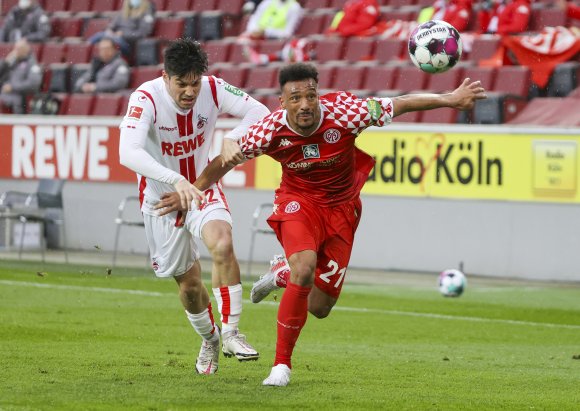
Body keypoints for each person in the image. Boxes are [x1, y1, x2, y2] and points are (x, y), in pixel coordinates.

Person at [155, 62, 487, 386]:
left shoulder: (346, 112)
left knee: (320, 307)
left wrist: (450, 98)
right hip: (298, 203)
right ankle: (281, 366)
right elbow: (222, 163)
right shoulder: (268, 130)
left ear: (318, 95)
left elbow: (398, 103)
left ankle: (281, 274)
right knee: (305, 266)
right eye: (295, 98)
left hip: (343, 209)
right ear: (282, 102)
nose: (304, 105)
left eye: (310, 96)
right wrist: (191, 193)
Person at [118, 38, 270, 375]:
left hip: (202, 189)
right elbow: (127, 152)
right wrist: (174, 180)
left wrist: (236, 136)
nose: (190, 91)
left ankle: (231, 332)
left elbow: (260, 112)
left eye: (195, 83)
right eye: (182, 84)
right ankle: (211, 338)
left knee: (222, 241)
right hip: (162, 202)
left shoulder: (213, 89)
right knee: (188, 287)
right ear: (165, 77)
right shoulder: (145, 98)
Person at [88, 0, 155, 58]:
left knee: (107, 38)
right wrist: (110, 30)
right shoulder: (123, 12)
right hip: (115, 38)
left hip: (129, 43)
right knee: (101, 35)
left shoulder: (147, 11)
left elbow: (143, 33)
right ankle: (88, 48)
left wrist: (123, 34)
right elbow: (112, 26)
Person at [0, 38, 42, 114]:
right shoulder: (12, 62)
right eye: (15, 48)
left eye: (18, 49)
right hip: (5, 96)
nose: (15, 51)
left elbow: (33, 84)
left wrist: (13, 88)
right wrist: (5, 63)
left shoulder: (32, 64)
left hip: (19, 99)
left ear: (26, 50)